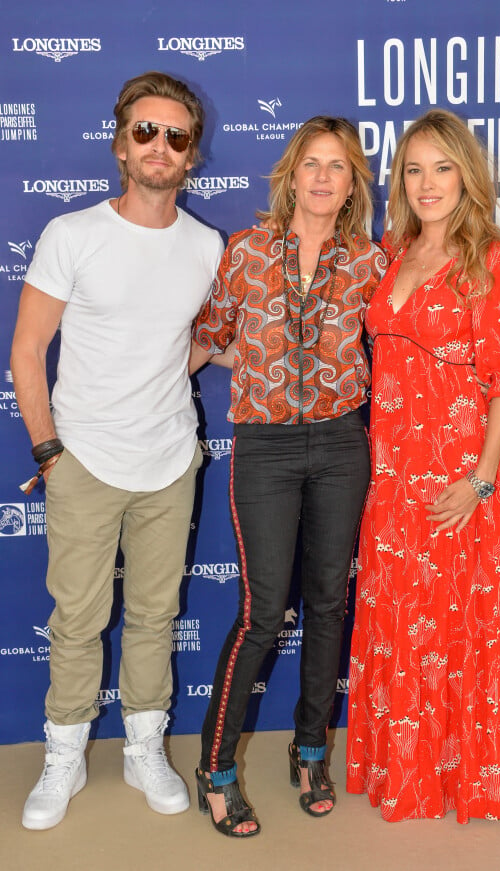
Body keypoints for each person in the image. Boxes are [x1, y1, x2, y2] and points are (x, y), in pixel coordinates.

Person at [10, 71, 224, 830]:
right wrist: (48, 451)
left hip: (170, 462)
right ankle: (62, 757)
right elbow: (28, 351)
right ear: (119, 144)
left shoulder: (207, 246)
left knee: (156, 615)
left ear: (191, 155)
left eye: (176, 135)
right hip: (86, 463)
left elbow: (194, 343)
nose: (160, 146)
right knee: (76, 618)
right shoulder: (73, 235)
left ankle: (144, 747)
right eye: (145, 131)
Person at [189, 116, 388, 836]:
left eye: (338, 165)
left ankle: (310, 750)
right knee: (263, 612)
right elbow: (208, 335)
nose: (324, 176)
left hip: (341, 445)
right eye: (312, 162)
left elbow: (400, 344)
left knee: (330, 603)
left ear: (352, 182)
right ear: (290, 173)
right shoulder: (244, 252)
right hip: (267, 450)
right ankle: (216, 767)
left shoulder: (368, 261)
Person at [346, 108, 500, 823]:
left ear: (467, 175)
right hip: (390, 481)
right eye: (414, 169)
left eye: (442, 167)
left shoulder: (490, 257)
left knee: (448, 637)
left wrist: (481, 480)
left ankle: (453, 778)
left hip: (455, 485)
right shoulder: (395, 252)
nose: (427, 183)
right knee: (399, 629)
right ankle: (401, 770)